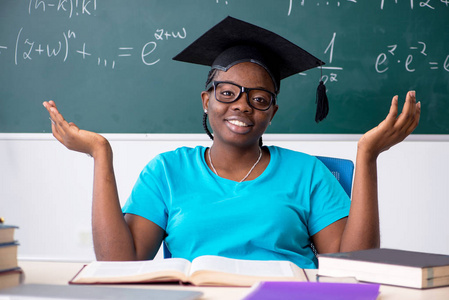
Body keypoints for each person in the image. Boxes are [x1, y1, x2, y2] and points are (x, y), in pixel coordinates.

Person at [43, 17, 420, 269]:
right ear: (206, 101)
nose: (241, 104)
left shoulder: (308, 173)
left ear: (272, 112)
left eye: (259, 98)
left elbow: (355, 266)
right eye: (227, 93)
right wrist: (99, 154)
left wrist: (367, 156)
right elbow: (119, 266)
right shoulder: (167, 171)